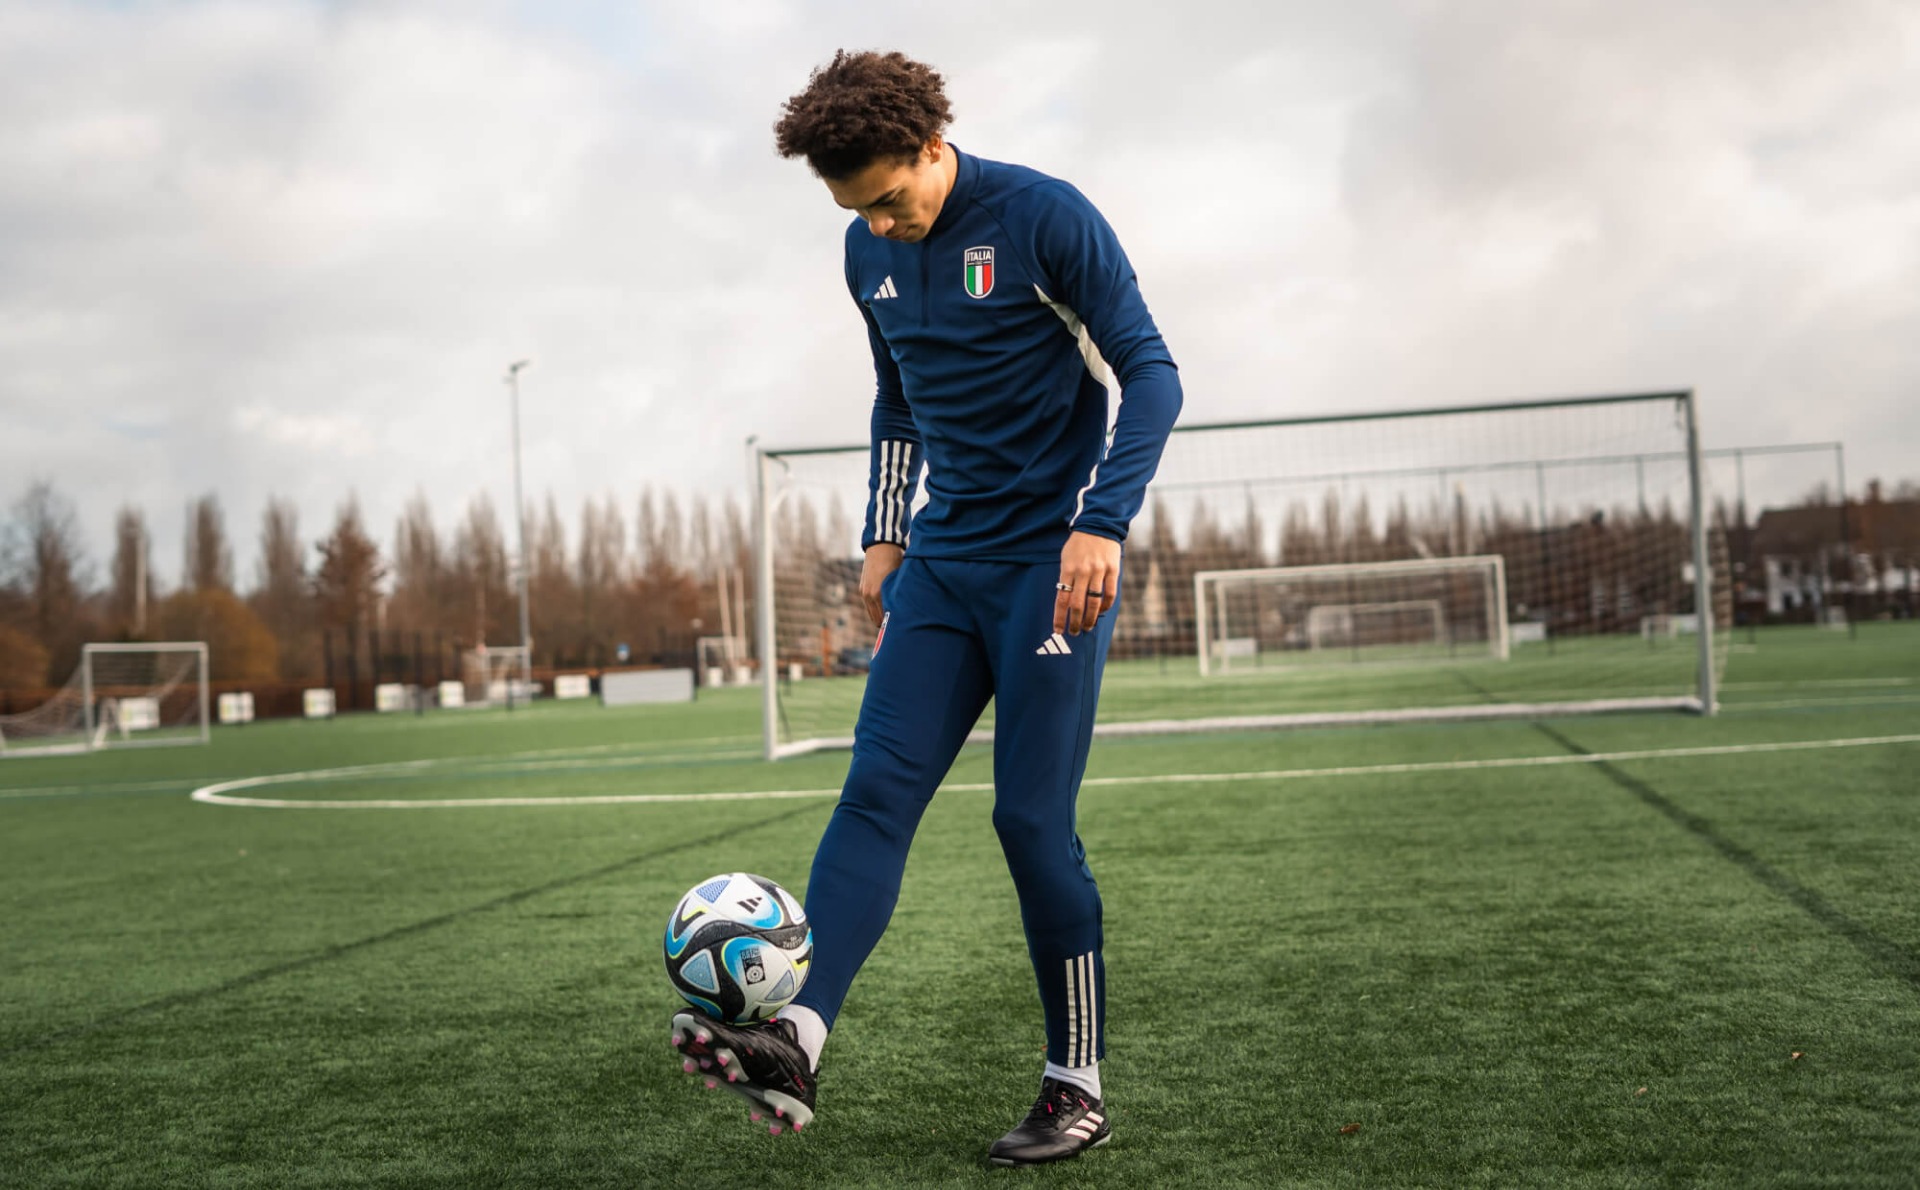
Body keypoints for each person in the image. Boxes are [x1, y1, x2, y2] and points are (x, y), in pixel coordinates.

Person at [671, 49, 1182, 1167]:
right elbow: (897, 391)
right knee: (875, 791)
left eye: (894, 199)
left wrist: (1102, 521)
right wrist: (885, 530)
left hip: (1051, 567)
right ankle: (797, 1038)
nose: (883, 225)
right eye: (860, 210)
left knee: (1029, 823)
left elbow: (1152, 372)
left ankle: (1075, 1082)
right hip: (943, 566)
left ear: (933, 146)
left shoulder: (1048, 218)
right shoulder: (866, 251)